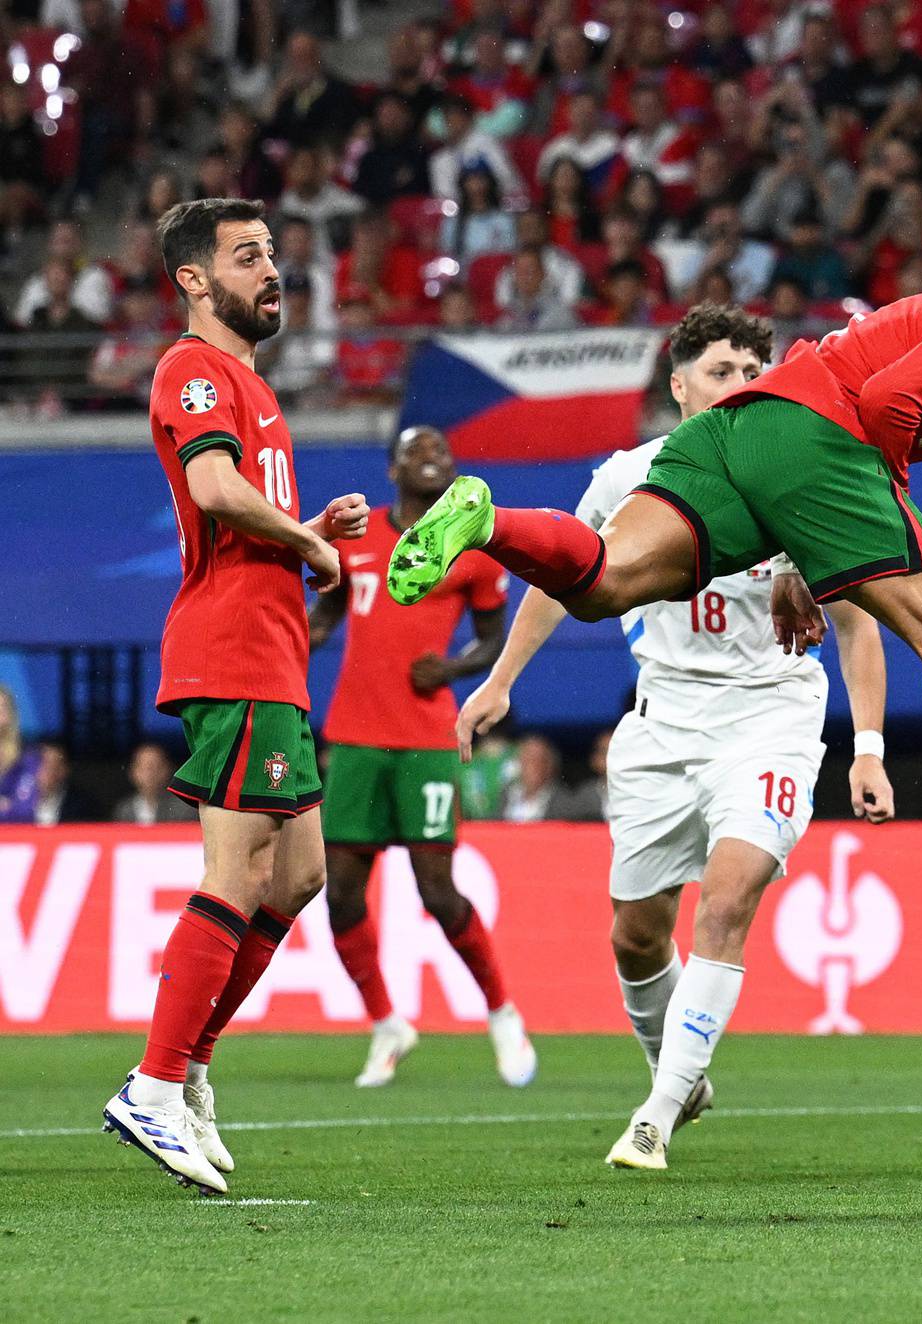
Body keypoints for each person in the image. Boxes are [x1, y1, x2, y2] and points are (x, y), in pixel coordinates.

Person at [389, 237, 922, 951]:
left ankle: (487, 519)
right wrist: (824, 544)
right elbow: (891, 402)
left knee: (604, 583)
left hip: (738, 431)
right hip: (817, 438)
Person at [454, 304, 894, 1171]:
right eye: (723, 371)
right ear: (680, 385)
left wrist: (870, 746)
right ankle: (680, 1078)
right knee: (636, 935)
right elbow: (564, 573)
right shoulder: (630, 478)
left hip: (770, 720)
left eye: (752, 373)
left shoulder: (802, 475)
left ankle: (653, 1117)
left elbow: (859, 625)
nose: (740, 386)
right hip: (663, 722)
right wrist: (501, 680)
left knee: (727, 899)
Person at [105, 197, 370, 1197]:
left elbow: (245, 511)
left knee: (297, 874)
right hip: (230, 654)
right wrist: (306, 541)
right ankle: (154, 1083)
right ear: (194, 280)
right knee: (237, 863)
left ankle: (190, 1063)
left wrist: (311, 526)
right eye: (249, 256)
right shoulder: (192, 370)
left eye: (274, 255)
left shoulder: (253, 384)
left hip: (272, 654)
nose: (274, 271)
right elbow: (214, 494)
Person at [307, 425, 535, 1090]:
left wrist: (453, 667)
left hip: (426, 739)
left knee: (437, 892)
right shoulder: (356, 538)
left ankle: (502, 1012)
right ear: (392, 469)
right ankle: (386, 1024)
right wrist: (301, 638)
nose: (434, 459)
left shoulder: (471, 546)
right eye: (420, 451)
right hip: (353, 734)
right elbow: (328, 617)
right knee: (341, 894)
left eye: (443, 452)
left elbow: (494, 640)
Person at [498, 735, 600, 822]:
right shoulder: (506, 796)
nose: (533, 766)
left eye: (539, 760)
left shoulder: (566, 804)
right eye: (527, 759)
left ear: (551, 766)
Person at [115, 742, 198, 824]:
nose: (149, 774)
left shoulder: (183, 809)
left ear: (167, 770)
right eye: (144, 768)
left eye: (155, 767)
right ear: (133, 772)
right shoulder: (124, 810)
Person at [0, 684, 41, 824]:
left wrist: (8, 807)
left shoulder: (27, 757)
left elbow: (23, 809)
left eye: (2, 707)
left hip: (15, 837)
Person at [33, 742, 100, 824]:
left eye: (53, 765)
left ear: (65, 770)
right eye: (42, 763)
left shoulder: (81, 806)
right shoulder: (18, 800)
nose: (45, 771)